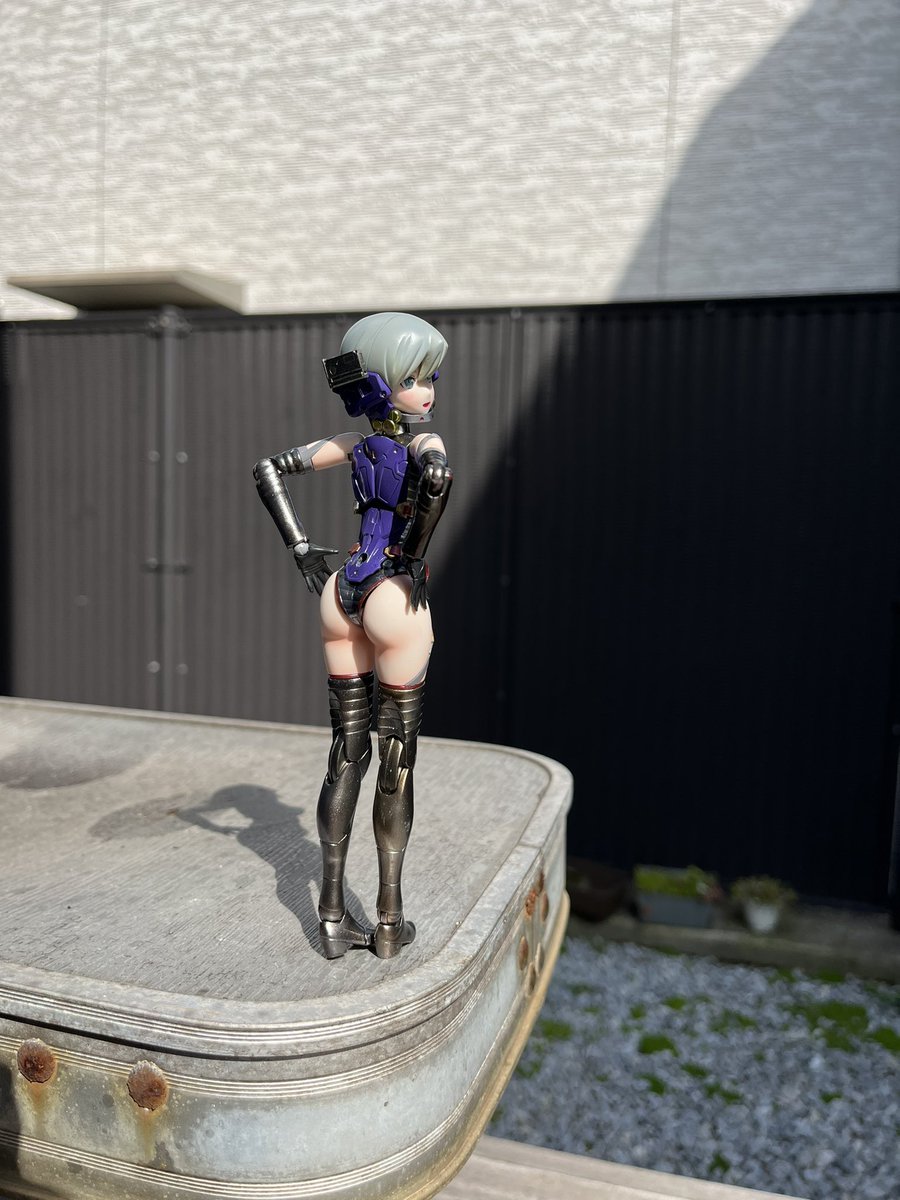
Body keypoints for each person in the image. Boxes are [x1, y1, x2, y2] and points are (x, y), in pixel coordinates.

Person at [253, 313, 452, 959]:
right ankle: (389, 922)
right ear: (382, 382)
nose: (428, 390)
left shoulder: (349, 443)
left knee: (346, 751)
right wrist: (413, 554)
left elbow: (269, 469)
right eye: (416, 377)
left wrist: (301, 548)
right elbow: (439, 480)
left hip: (343, 588)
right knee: (397, 757)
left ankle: (332, 918)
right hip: (394, 592)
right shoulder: (424, 443)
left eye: (430, 377)